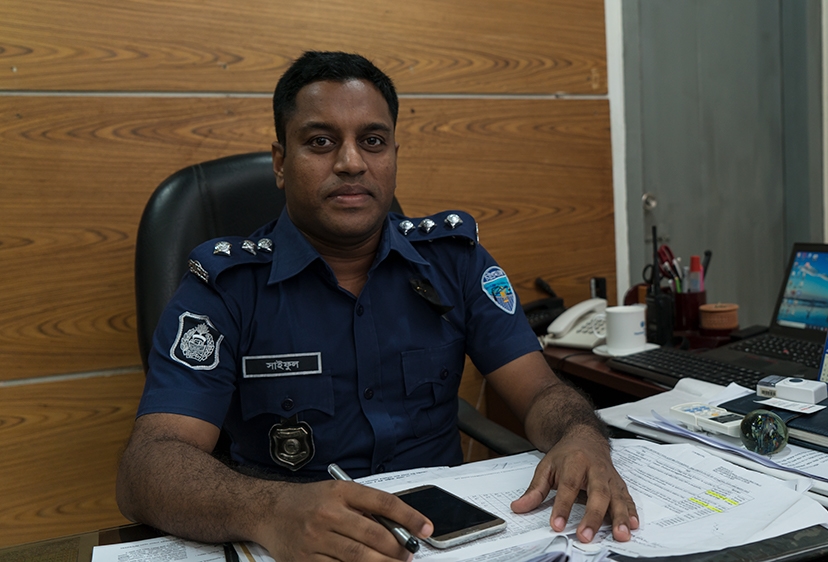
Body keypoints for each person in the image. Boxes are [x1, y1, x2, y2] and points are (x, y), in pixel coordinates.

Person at [116, 51, 638, 562]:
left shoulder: (454, 262)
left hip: (448, 537)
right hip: (297, 544)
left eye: (373, 141)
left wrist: (582, 436)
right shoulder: (226, 286)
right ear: (281, 163)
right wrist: (272, 511)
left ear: (392, 155)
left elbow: (542, 392)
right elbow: (150, 464)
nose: (350, 162)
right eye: (321, 142)